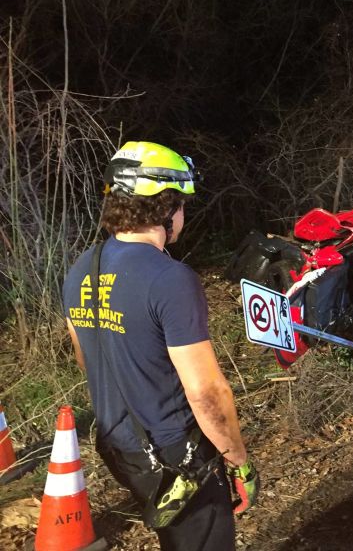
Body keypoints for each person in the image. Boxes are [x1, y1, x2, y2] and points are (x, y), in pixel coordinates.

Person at [62, 141, 258, 550]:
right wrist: (238, 458)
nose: (183, 215)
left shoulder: (81, 269)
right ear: (165, 208)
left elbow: (88, 359)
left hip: (122, 447)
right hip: (176, 452)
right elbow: (206, 392)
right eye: (182, 205)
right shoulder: (170, 278)